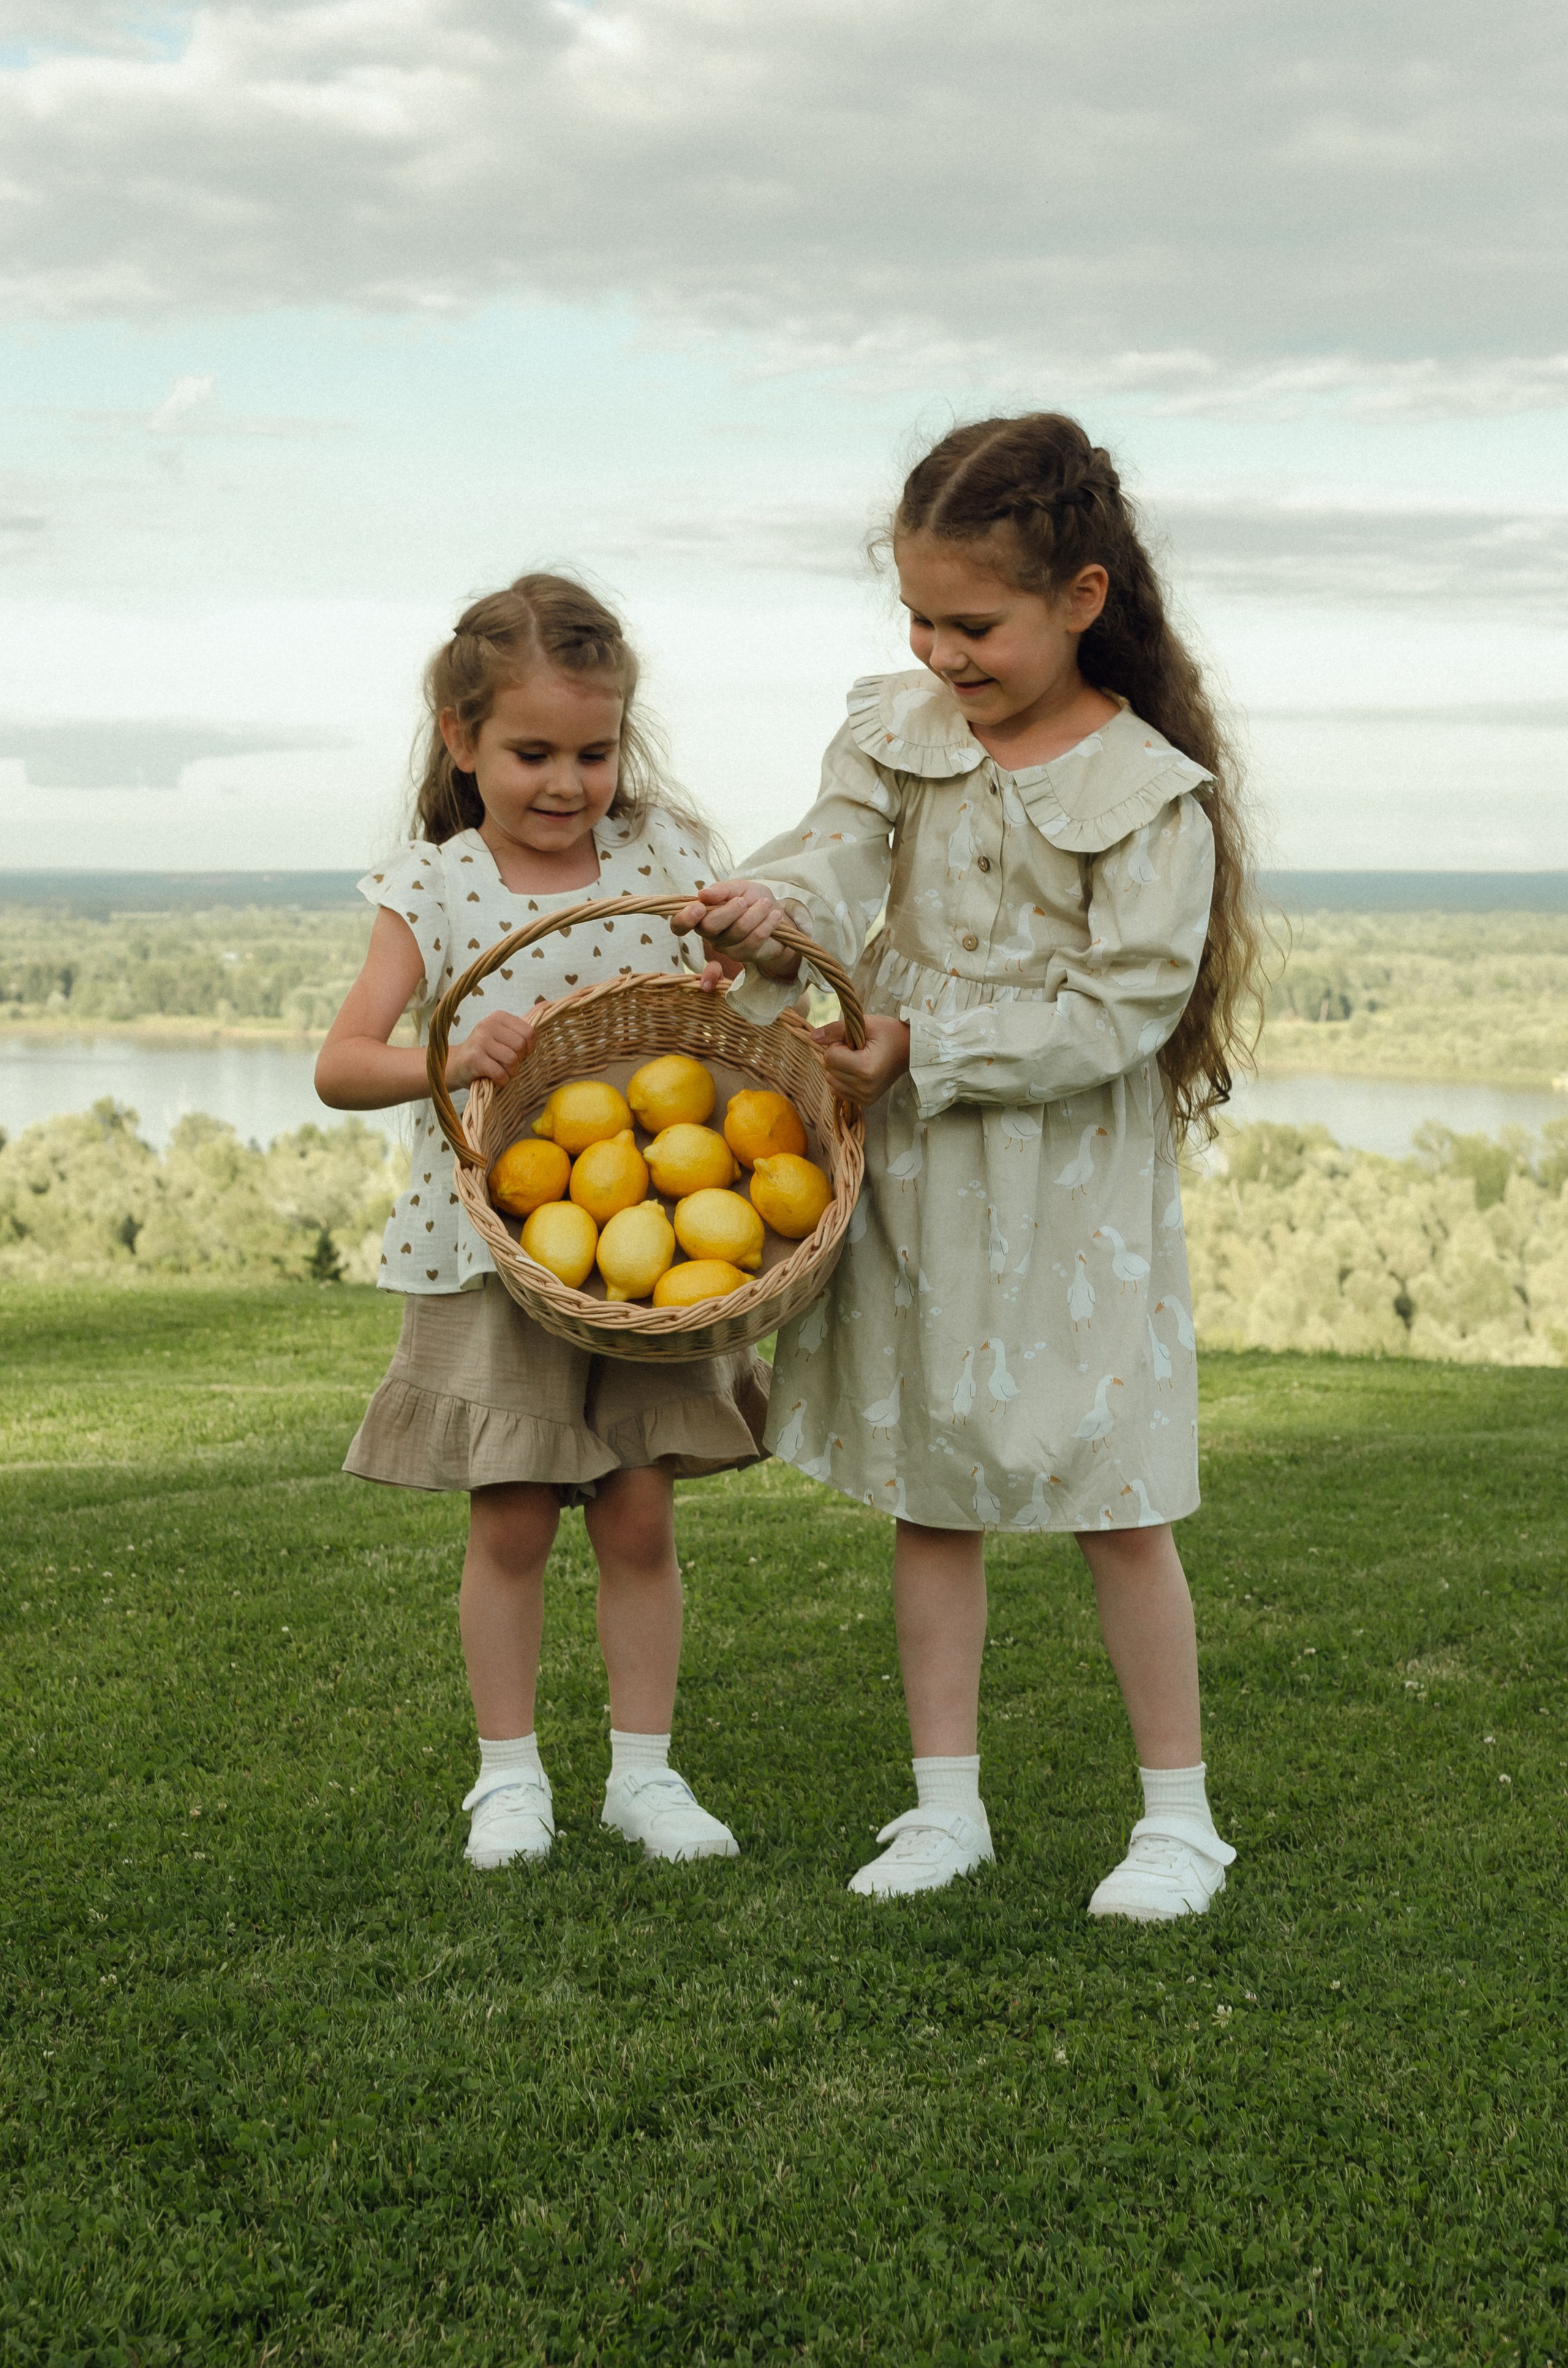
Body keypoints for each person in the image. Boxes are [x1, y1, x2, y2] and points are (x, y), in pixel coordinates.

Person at [674, 414, 1264, 1918]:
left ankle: (1179, 1821)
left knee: (1113, 1483)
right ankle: (944, 1808)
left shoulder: (1146, 792)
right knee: (932, 1481)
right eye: (918, 617)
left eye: (973, 624)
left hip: (1064, 1173)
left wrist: (924, 1046)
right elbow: (833, 860)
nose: (941, 652)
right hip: (921, 1161)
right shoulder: (899, 729)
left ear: (1079, 598)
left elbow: (1123, 1006)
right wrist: (767, 910)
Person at [317, 573, 767, 1872]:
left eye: (593, 751)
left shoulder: (661, 854)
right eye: (532, 753)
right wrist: (457, 1056)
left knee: (639, 1516)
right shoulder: (436, 884)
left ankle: (644, 1776)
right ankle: (508, 1779)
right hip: (494, 1249)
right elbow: (343, 1063)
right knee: (512, 1516)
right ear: (462, 741)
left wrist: (750, 948)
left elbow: (740, 990)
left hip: (653, 1231)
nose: (568, 783)